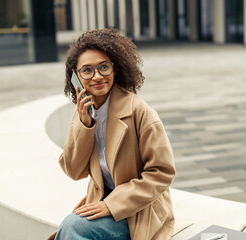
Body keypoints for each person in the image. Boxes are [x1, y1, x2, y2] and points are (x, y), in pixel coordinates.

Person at [48, 28, 176, 240]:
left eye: (104, 67)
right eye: (87, 70)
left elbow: (162, 173)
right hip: (102, 202)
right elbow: (73, 170)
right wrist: (85, 125)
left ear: (116, 69)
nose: (97, 76)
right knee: (69, 228)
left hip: (139, 210)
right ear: (76, 76)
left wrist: (112, 204)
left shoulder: (139, 112)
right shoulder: (83, 112)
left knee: (72, 228)